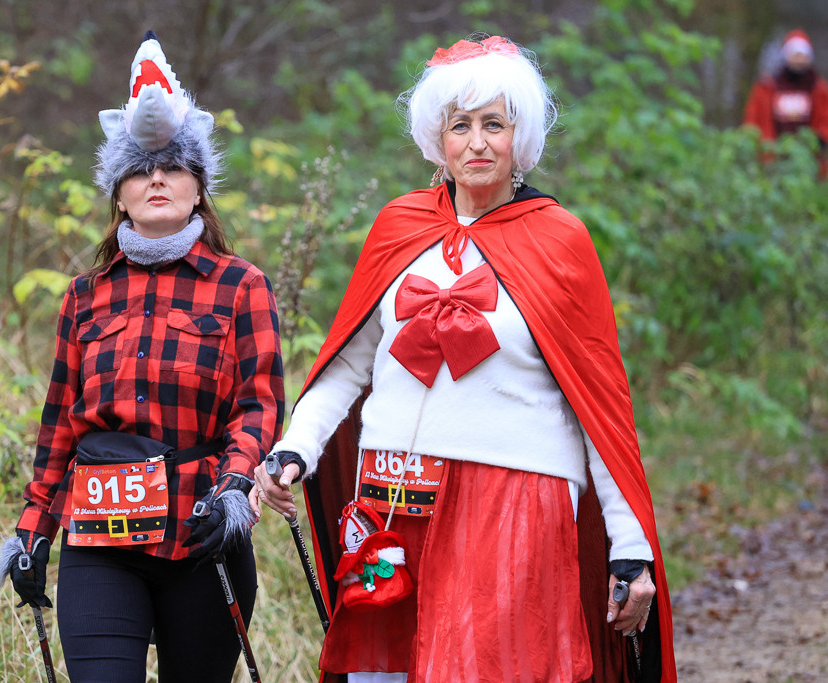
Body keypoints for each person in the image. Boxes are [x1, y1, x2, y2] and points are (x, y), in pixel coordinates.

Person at [251, 35, 676, 682]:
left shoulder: (559, 239)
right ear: (438, 139)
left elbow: (600, 408)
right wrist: (294, 450)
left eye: (493, 125)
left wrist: (630, 547)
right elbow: (347, 364)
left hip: (513, 503)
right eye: (461, 126)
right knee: (387, 672)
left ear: (520, 138)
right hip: (392, 496)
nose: (477, 143)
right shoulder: (400, 225)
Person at [0, 31, 284, 682]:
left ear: (198, 185)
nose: (157, 176)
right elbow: (60, 426)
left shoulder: (243, 286)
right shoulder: (83, 297)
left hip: (201, 537)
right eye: (139, 168)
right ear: (118, 191)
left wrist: (235, 486)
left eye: (173, 165)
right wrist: (32, 530)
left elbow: (260, 404)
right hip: (100, 542)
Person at [743, 29, 828, 177]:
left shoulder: (818, 90)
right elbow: (753, 121)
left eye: (803, 56)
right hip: (772, 161)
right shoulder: (767, 88)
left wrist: (820, 139)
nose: (799, 61)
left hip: (809, 164)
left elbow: (825, 121)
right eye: (795, 55)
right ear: (786, 57)